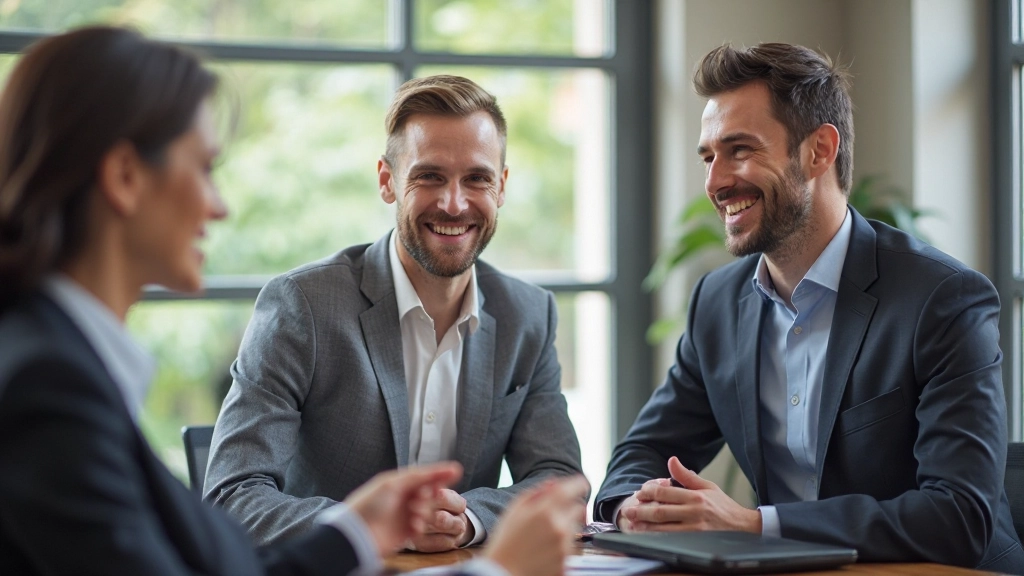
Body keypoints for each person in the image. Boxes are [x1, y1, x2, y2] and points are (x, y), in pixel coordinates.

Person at [0, 26, 588, 576]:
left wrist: (382, 525)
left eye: (477, 178)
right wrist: (493, 570)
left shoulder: (62, 368)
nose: (219, 206)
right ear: (125, 178)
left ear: (502, 186)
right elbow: (228, 506)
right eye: (204, 168)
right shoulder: (48, 385)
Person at [594, 42, 1024, 573]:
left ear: (819, 150)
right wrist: (635, 506)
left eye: (740, 150)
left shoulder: (943, 299)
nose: (715, 182)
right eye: (709, 157)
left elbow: (959, 517)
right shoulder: (717, 302)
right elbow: (643, 450)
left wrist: (753, 525)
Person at [204, 74, 585, 550]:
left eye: (477, 178)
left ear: (501, 186)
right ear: (388, 181)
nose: (454, 203)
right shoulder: (303, 305)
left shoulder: (528, 315)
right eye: (429, 176)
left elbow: (562, 483)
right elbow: (232, 497)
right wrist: (373, 527)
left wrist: (468, 520)